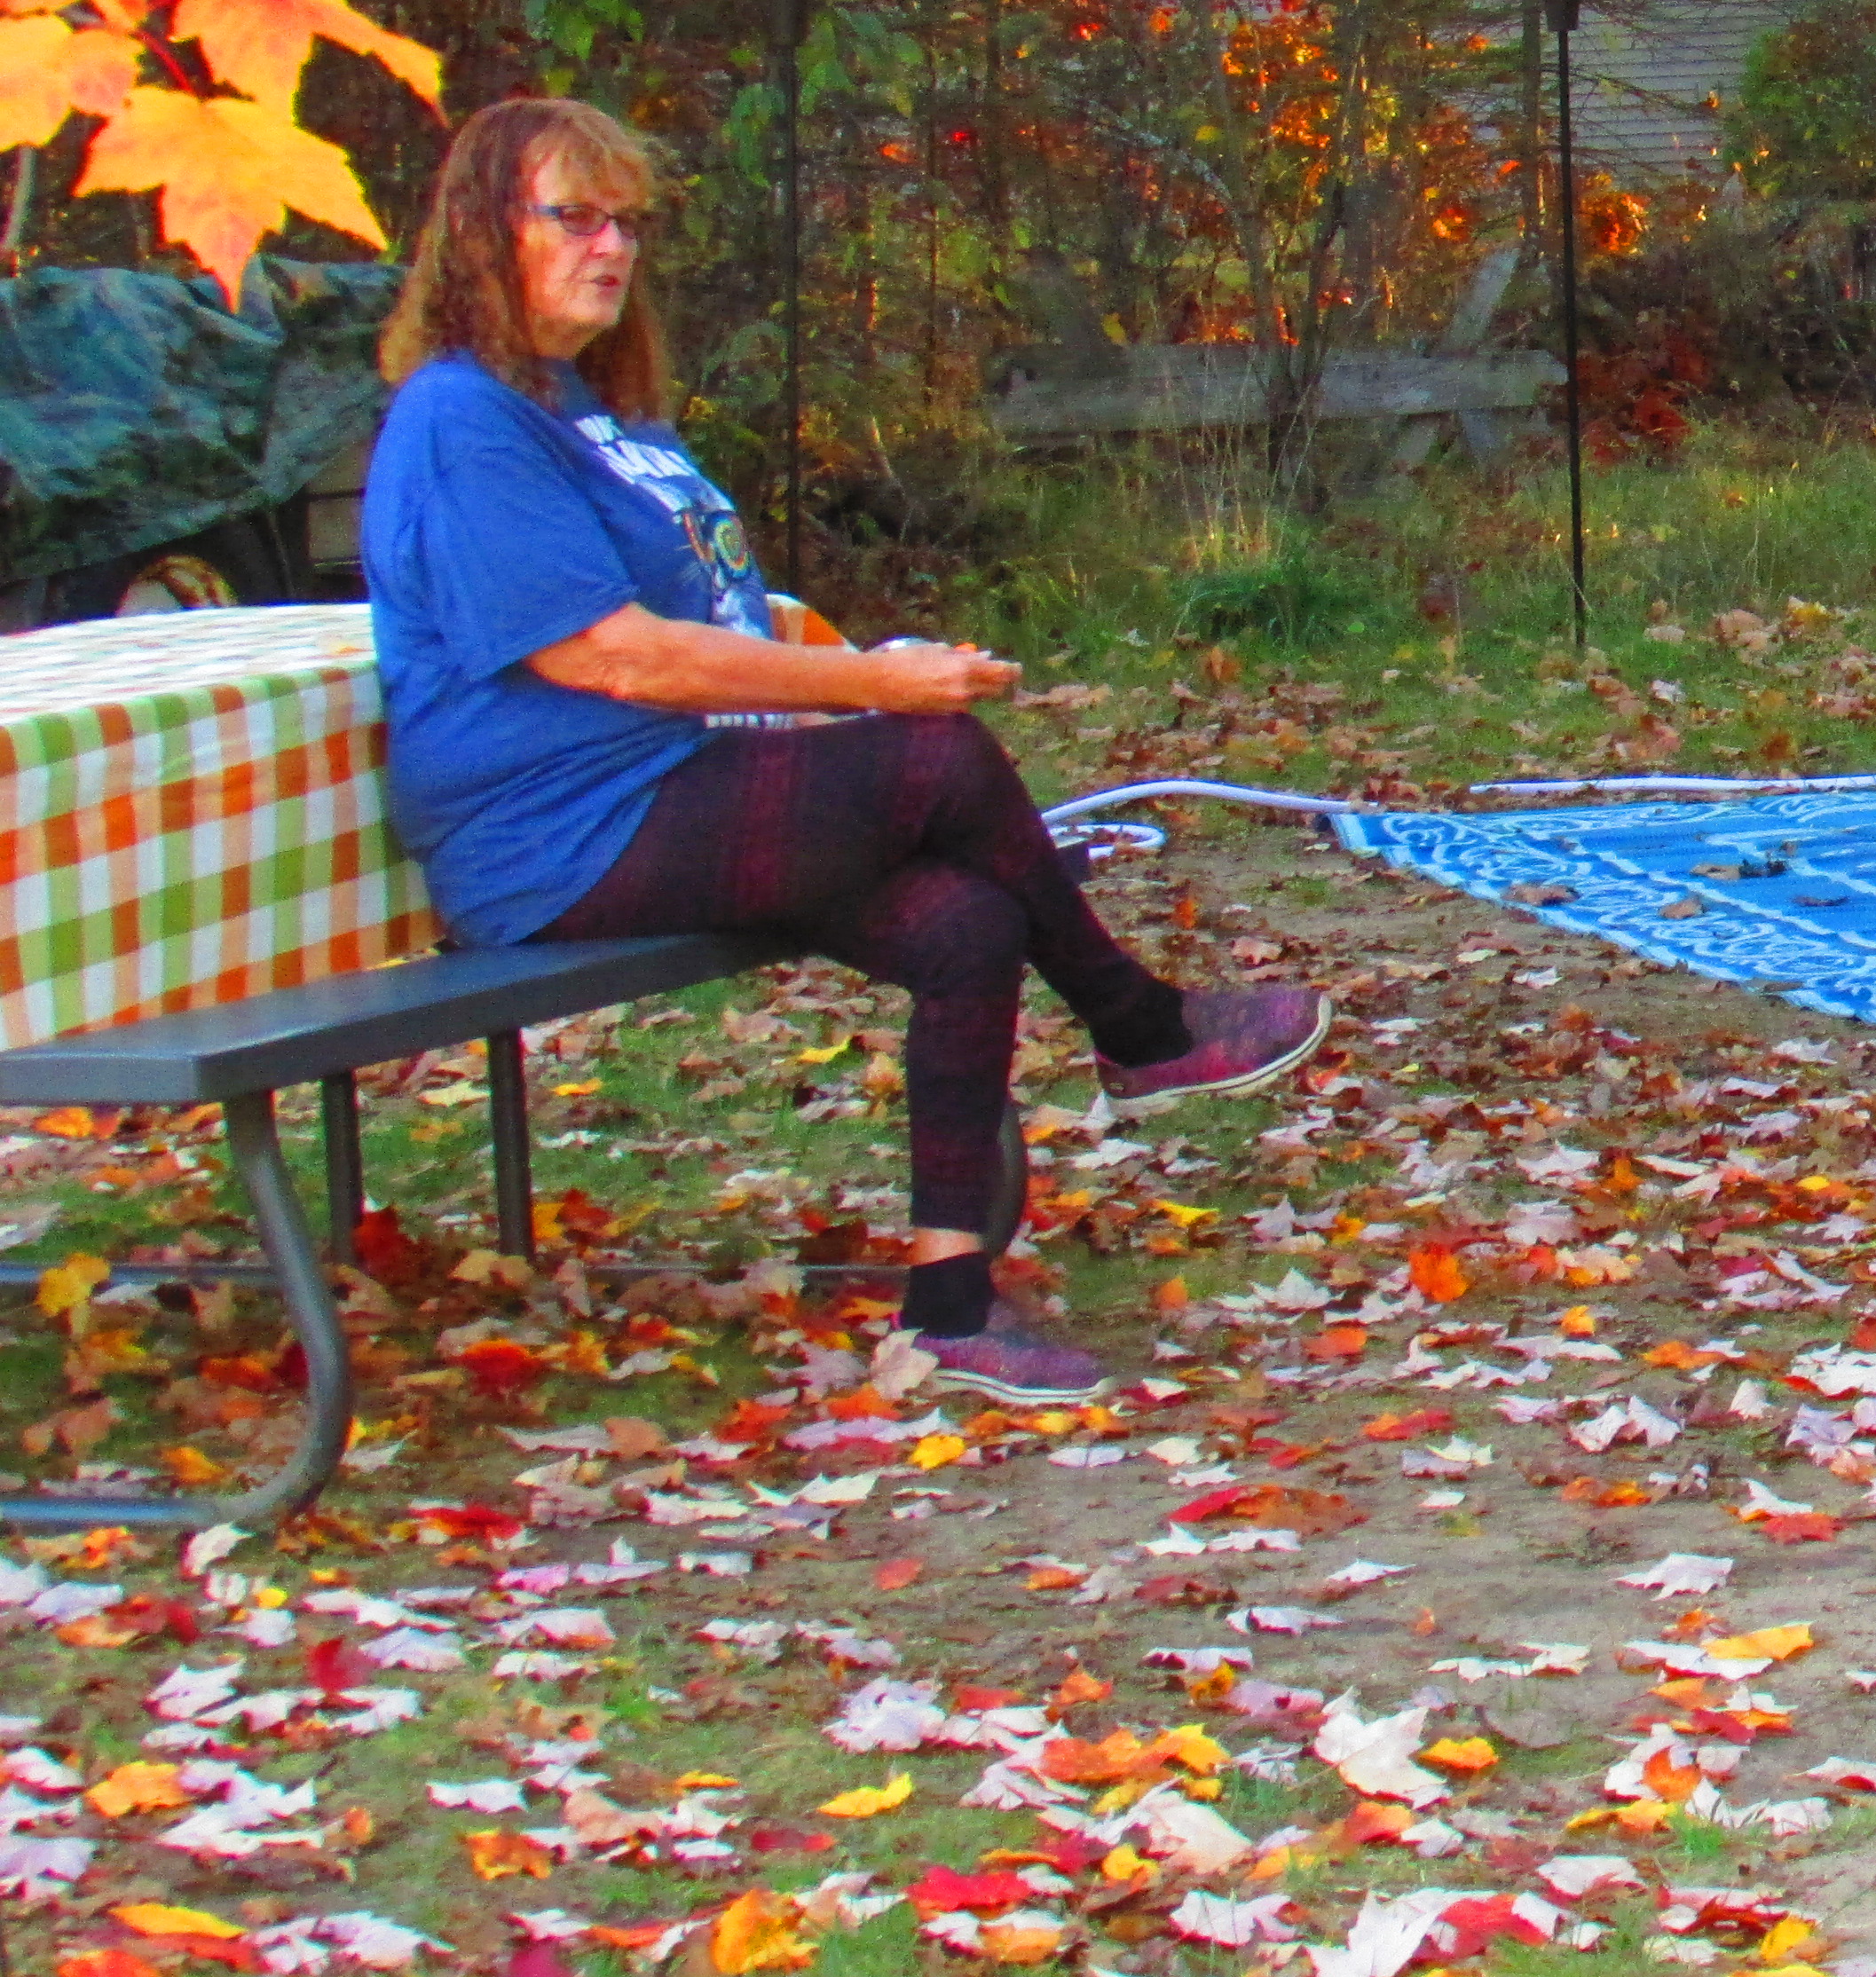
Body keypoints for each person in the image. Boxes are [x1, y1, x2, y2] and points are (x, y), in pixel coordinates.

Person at [359, 96, 1326, 1407]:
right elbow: (612, 656)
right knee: (934, 759)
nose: (612, 247)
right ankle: (1140, 1026)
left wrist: (822, 704)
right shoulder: (463, 419)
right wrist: (870, 684)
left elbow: (705, 622)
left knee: (965, 923)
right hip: (557, 834)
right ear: (483, 233)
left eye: (626, 221)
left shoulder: (598, 411)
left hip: (667, 786)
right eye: (572, 217)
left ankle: (949, 1307)